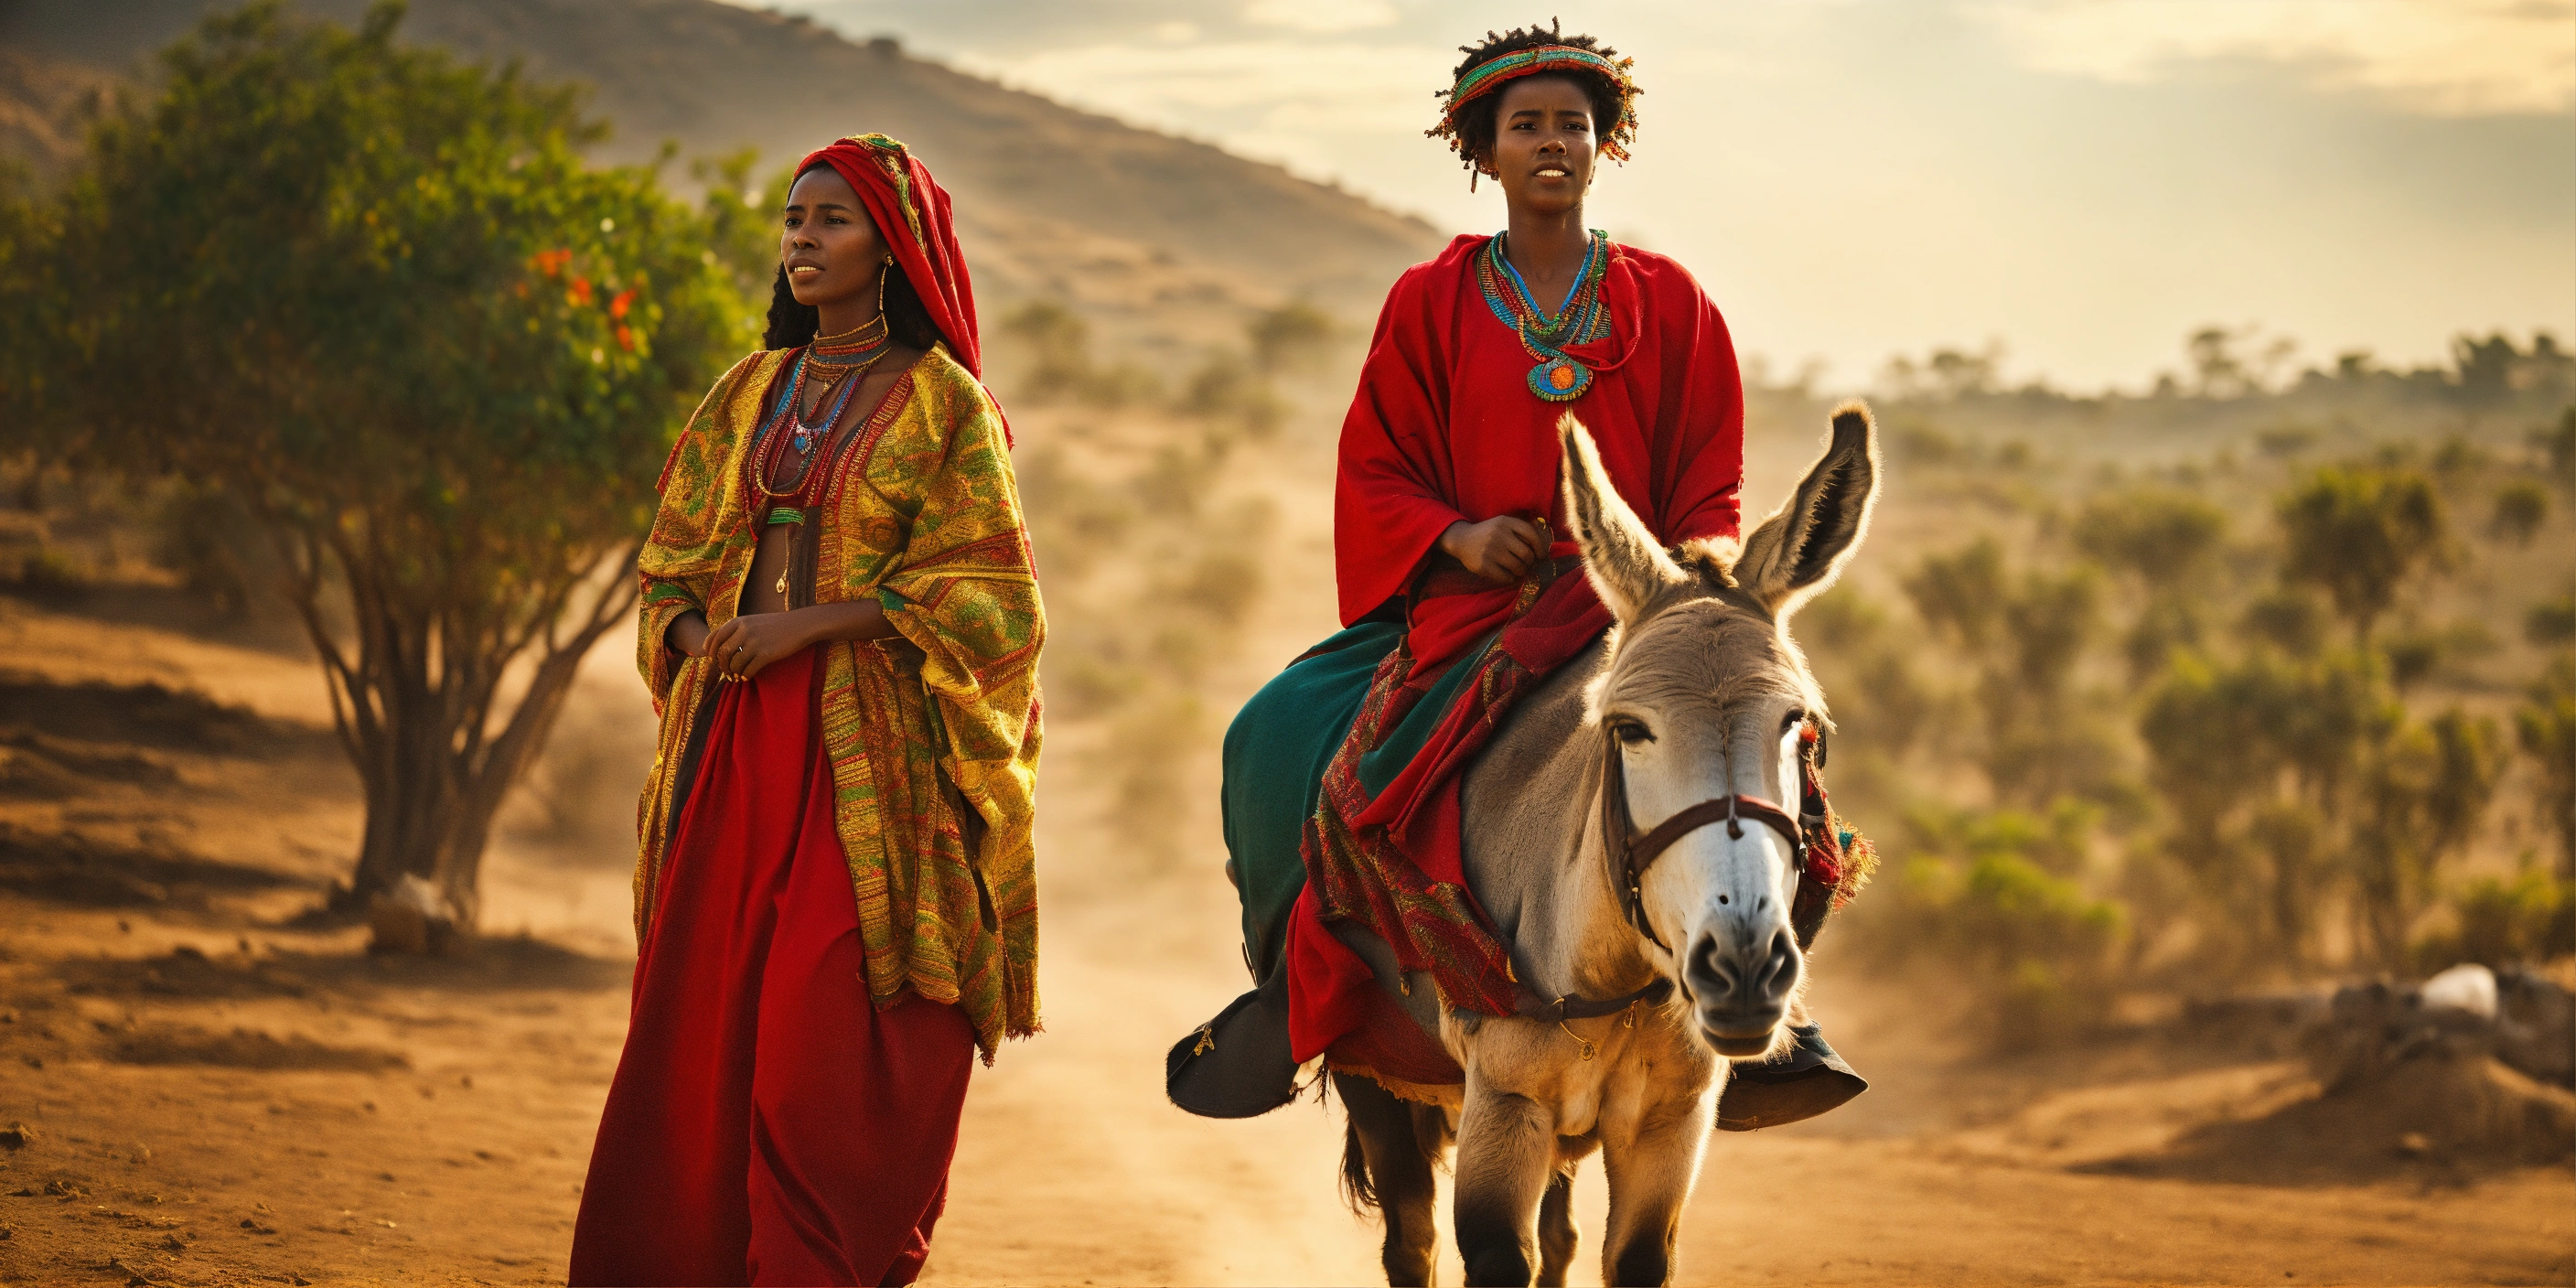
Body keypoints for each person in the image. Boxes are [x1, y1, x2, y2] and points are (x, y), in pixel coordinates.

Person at [1212, 23, 1859, 1126]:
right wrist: (1454, 537)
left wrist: (1680, 576)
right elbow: (1374, 459)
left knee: (1776, 774)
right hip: (1471, 608)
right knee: (1277, 737)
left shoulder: (1671, 299)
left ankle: (1768, 1004)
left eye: (1573, 123)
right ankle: (1296, 990)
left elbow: (1709, 473)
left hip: (1631, 615)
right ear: (1486, 151)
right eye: (1526, 127)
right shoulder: (1427, 298)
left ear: (1603, 146)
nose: (1551, 142)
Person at [571, 134, 1043, 1288]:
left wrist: (809, 625)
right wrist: (698, 635)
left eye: (830, 219)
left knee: (815, 1046)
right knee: (704, 1032)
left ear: (894, 247)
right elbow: (669, 567)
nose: (800, 239)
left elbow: (990, 599)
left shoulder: (946, 405)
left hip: (868, 766)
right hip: (733, 748)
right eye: (792, 219)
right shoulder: (745, 391)